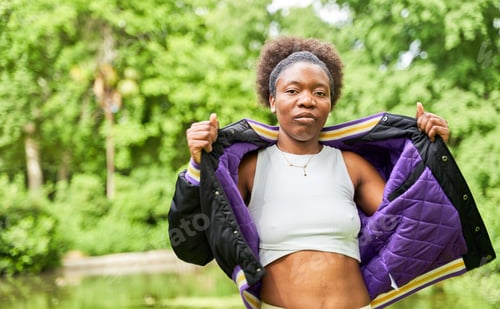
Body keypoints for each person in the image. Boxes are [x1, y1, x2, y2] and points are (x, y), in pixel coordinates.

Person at [168, 36, 495, 309]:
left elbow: (414, 216)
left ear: (330, 103)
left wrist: (432, 153)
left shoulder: (351, 167)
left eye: (319, 92)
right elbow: (193, 245)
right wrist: (198, 165)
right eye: (293, 91)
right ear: (272, 100)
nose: (306, 100)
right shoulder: (248, 170)